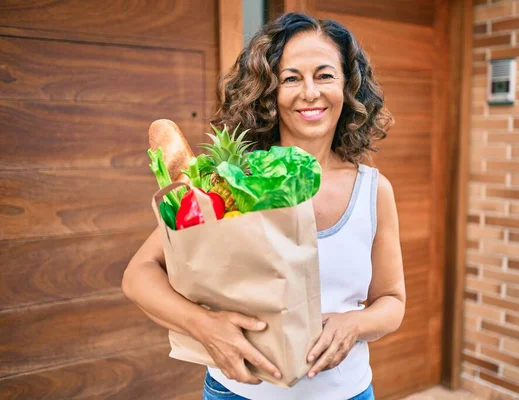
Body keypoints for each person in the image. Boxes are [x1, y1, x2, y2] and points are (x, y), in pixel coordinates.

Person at [122, 12, 406, 400]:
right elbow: (138, 274)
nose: (310, 92)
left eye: (324, 75)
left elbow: (391, 301)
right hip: (236, 393)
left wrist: (355, 324)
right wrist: (204, 325)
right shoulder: (231, 183)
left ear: (348, 87)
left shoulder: (374, 191)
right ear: (269, 92)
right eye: (291, 78)